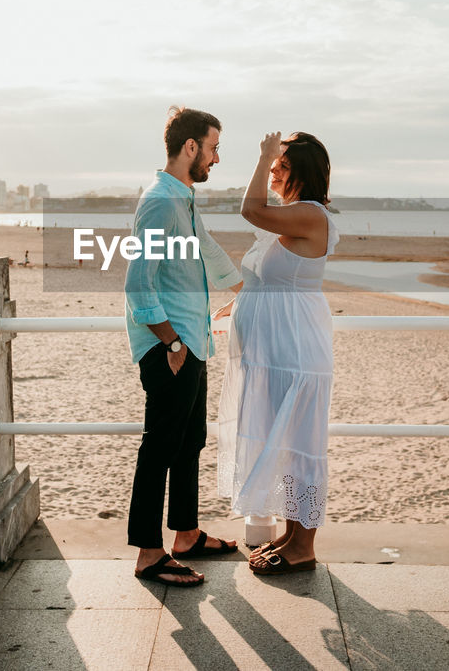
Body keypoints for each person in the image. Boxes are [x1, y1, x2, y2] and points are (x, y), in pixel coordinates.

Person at [124, 106, 243, 587]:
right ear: (190, 147)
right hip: (170, 346)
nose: (216, 158)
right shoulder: (159, 202)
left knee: (188, 442)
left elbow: (206, 248)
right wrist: (171, 342)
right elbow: (138, 285)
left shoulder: (182, 199)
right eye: (213, 148)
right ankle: (149, 555)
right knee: (160, 448)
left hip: (192, 341)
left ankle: (187, 535)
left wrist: (244, 287)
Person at [217, 131, 336, 575]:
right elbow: (267, 279)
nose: (272, 171)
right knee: (283, 442)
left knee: (300, 445)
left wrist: (264, 151)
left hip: (296, 350)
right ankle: (290, 536)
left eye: (281, 166)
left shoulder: (310, 214)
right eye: (273, 164)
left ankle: (303, 548)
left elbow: (250, 209)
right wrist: (235, 308)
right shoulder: (289, 216)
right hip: (273, 353)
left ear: (303, 173)